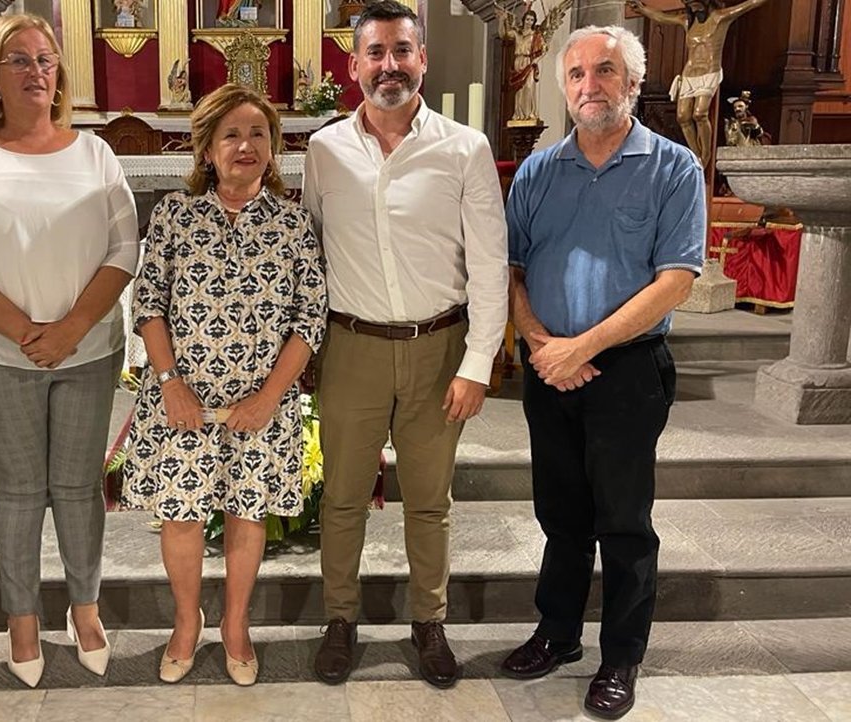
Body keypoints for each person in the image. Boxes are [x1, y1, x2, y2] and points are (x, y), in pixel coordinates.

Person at [0, 13, 139, 687]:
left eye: (46, 59)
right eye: (18, 59)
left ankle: (84, 607)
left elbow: (124, 246)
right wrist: (24, 330)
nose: (36, 71)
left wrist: (72, 327)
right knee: (18, 491)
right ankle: (21, 617)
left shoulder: (94, 153)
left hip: (87, 349)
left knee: (77, 488)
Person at [501, 25, 705, 720]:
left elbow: (676, 279)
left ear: (633, 83)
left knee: (623, 521)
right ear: (564, 87)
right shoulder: (538, 172)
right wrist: (540, 343)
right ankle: (557, 632)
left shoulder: (673, 168)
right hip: (549, 367)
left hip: (625, 371)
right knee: (560, 514)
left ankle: (621, 656)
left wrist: (581, 347)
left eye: (606, 70)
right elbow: (511, 268)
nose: (590, 85)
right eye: (577, 73)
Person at [303, 0, 508, 690]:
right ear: (353, 64)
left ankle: (429, 621)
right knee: (342, 497)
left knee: (428, 499)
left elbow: (489, 264)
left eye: (401, 50)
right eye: (375, 52)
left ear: (423, 58)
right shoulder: (325, 150)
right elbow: (312, 252)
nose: (388, 65)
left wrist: (477, 363)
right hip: (351, 346)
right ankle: (339, 619)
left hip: (438, 348)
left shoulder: (464, 147)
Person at [123, 83, 327, 687]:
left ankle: (236, 624)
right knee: (181, 514)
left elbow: (309, 318)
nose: (246, 146)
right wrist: (170, 383)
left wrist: (268, 399)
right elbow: (148, 302)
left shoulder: (293, 223)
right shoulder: (175, 215)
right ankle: (187, 622)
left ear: (274, 146)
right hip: (182, 401)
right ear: (207, 150)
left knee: (247, 511)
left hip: (262, 405)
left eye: (258, 133)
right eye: (231, 135)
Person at [627, 0, 771, 167]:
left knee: (699, 114)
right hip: (689, 73)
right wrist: (643, 10)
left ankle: (705, 156)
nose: (694, 8)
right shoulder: (688, 21)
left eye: (696, 4)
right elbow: (662, 17)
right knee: (682, 116)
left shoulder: (720, 17)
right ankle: (696, 156)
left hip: (709, 72)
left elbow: (750, 4)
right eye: (691, 5)